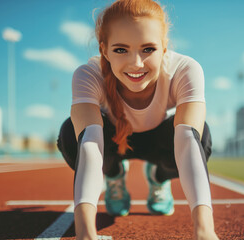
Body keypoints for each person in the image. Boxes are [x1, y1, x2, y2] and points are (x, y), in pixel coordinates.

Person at [57, 0, 220, 239]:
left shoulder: (185, 70)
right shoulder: (88, 75)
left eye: (148, 49)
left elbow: (187, 140)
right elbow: (90, 142)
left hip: (160, 141)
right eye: (121, 50)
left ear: (164, 47)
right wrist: (84, 233)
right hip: (112, 140)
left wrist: (205, 230)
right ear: (104, 49)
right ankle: (113, 175)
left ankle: (158, 178)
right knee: (70, 134)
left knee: (200, 135)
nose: (136, 64)